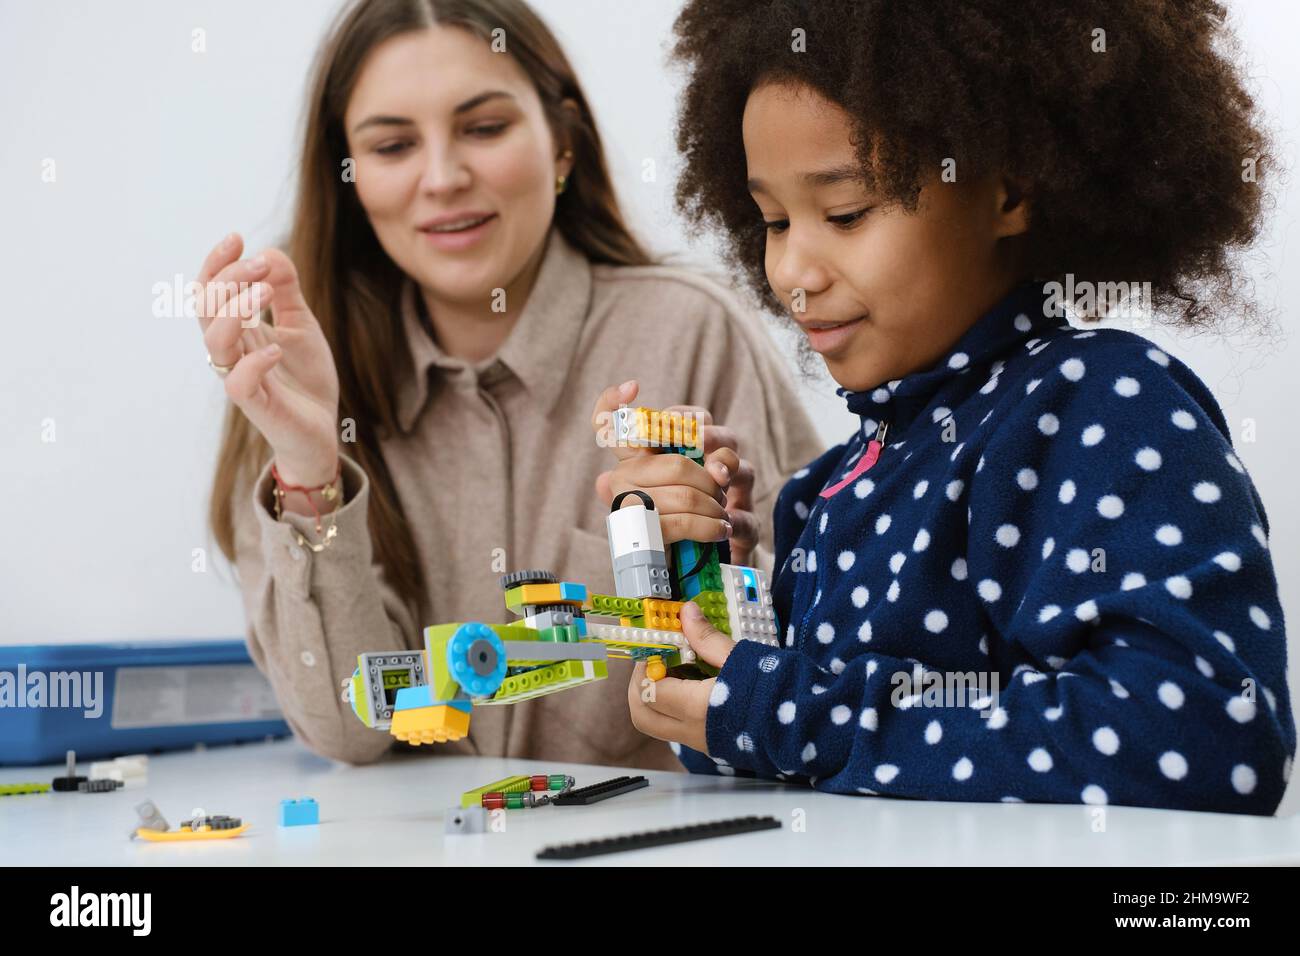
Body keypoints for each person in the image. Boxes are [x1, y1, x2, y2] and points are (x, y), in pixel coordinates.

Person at [625, 0, 1296, 813]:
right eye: (772, 221)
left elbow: (1200, 737)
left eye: (846, 213)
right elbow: (776, 765)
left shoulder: (1103, 407)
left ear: (1007, 188)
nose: (794, 272)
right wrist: (706, 598)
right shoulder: (827, 491)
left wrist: (786, 711)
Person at [197, 0, 825, 768]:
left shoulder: (690, 331)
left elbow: (814, 669)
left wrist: (716, 567)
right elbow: (351, 730)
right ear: (350, 177)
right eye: (393, 145)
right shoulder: (290, 371)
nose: (443, 178)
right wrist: (308, 469)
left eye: (485, 128)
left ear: (562, 142)